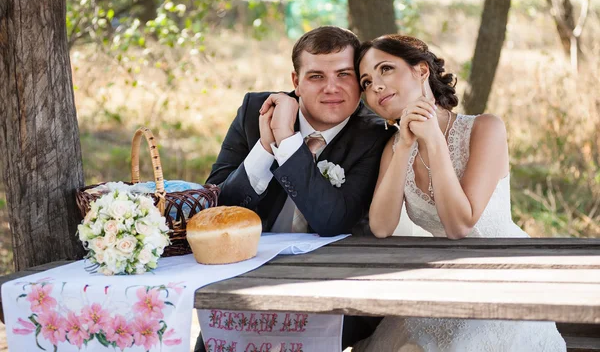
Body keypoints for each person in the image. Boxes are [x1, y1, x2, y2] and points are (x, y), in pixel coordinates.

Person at [352, 34, 566, 351]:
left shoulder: (485, 128)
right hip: (447, 281)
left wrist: (434, 141)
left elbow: (460, 226)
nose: (376, 87)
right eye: (366, 82)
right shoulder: (393, 149)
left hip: (504, 277)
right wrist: (405, 146)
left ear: (421, 70)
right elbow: (382, 226)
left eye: (385, 69)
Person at [194, 26, 392, 351]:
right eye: (316, 76)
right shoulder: (254, 111)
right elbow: (217, 211)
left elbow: (333, 221)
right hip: (248, 274)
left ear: (359, 80)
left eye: (344, 74)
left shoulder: (375, 136)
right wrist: (266, 146)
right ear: (296, 82)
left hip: (329, 285)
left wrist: (287, 140)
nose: (332, 88)